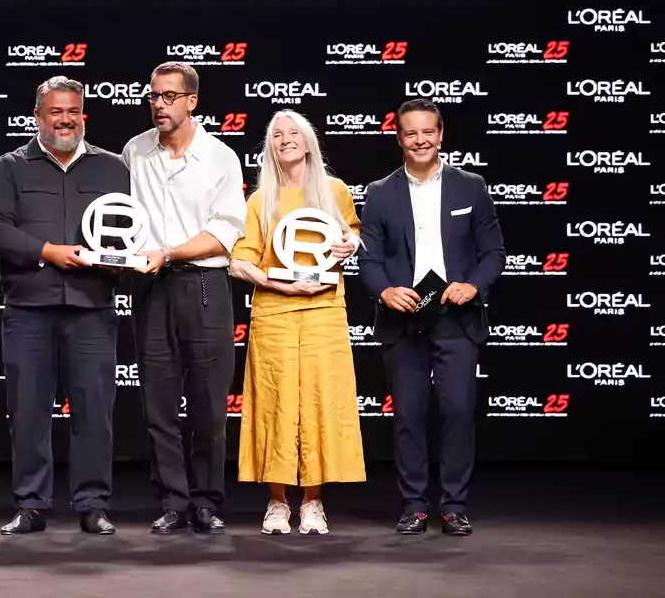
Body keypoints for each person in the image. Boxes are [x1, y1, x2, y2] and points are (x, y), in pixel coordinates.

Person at [0, 75, 129, 536]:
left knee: (94, 410)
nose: (65, 119)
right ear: (38, 117)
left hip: (92, 306)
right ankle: (31, 504)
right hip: (29, 307)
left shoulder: (113, 167)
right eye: (55, 112)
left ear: (83, 115)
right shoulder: (11, 166)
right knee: (28, 410)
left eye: (73, 111)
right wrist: (47, 251)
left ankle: (93, 504)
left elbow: (131, 229)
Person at [358, 98, 504, 537]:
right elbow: (369, 258)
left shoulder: (470, 186)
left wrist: (474, 285)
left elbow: (493, 252)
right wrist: (384, 290)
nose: (420, 140)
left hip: (455, 315)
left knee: (458, 410)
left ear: (440, 135)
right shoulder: (380, 192)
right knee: (409, 414)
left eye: (428, 132)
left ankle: (454, 505)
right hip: (403, 318)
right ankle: (415, 505)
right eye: (410, 133)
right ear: (398, 137)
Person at [121, 62, 247, 535]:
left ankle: (207, 500)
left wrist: (168, 251)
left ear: (192, 101)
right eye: (153, 96)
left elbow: (225, 233)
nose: (158, 104)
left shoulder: (221, 157)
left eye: (169, 96)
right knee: (158, 402)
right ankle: (173, 499)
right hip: (151, 287)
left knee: (210, 405)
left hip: (204, 286)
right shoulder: (134, 152)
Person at [228, 110, 366, 536]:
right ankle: (276, 502)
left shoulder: (335, 191)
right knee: (276, 405)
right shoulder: (259, 200)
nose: (286, 139)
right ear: (270, 147)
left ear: (308, 142)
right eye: (277, 135)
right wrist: (274, 282)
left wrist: (352, 244)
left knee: (322, 404)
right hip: (275, 314)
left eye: (294, 133)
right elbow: (238, 261)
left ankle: (312, 503)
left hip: (325, 311)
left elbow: (354, 234)